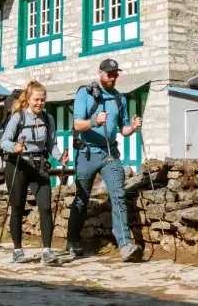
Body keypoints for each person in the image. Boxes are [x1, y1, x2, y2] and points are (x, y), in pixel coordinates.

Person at [66, 59, 144, 262]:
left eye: (115, 73)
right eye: (109, 73)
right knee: (82, 199)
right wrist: (94, 121)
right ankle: (73, 241)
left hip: (110, 155)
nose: (113, 77)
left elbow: (123, 130)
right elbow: (77, 124)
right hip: (87, 153)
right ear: (100, 73)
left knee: (118, 196)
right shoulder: (85, 93)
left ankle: (126, 245)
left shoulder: (120, 99)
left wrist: (133, 127)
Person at [0, 80, 68, 265]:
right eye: (36, 99)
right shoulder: (18, 117)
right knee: (18, 208)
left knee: (45, 207)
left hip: (39, 165)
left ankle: (47, 251)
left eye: (42, 100)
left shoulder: (48, 119)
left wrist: (60, 157)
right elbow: (3, 141)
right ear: (28, 99)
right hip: (18, 165)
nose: (39, 103)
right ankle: (17, 250)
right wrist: (15, 146)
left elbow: (51, 145)